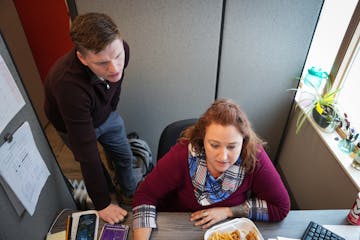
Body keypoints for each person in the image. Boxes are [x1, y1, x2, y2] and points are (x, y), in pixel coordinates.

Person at [132, 98, 290, 239]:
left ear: (244, 142)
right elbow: (145, 196)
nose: (223, 156)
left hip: (229, 228)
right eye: (214, 145)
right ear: (202, 139)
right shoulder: (181, 155)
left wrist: (229, 211)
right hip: (180, 227)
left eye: (232, 146)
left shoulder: (254, 156)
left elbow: (281, 207)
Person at [44, 12, 139, 224]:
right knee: (94, 163)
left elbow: (116, 85)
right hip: (71, 123)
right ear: (82, 58)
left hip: (106, 114)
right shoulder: (67, 85)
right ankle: (109, 197)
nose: (114, 68)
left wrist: (111, 107)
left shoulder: (122, 49)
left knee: (124, 156)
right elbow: (87, 154)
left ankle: (130, 194)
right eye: (102, 63)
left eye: (117, 56)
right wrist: (102, 204)